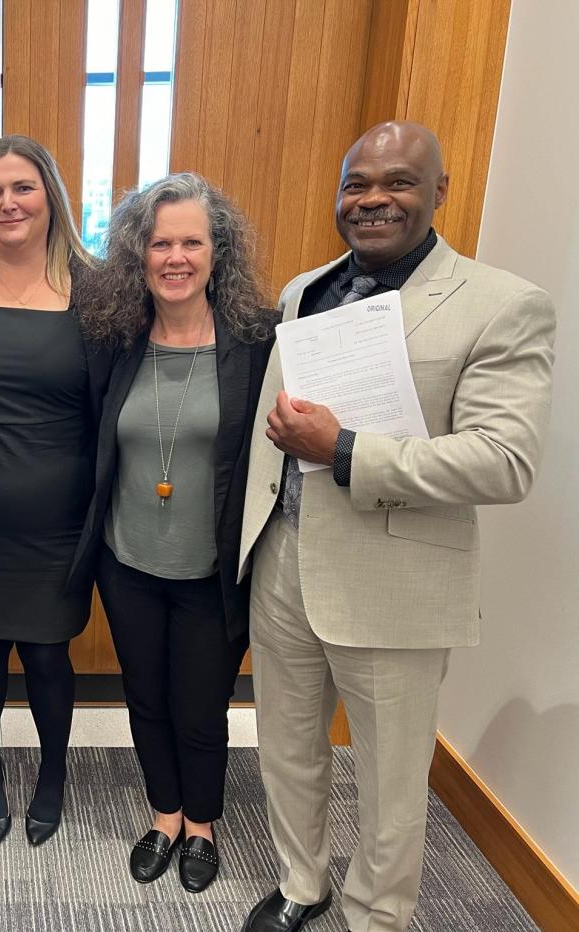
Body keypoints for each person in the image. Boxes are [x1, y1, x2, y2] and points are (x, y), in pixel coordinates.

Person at [237, 121, 556, 932]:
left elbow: (503, 461)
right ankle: (303, 883)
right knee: (287, 745)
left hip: (395, 574)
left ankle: (377, 915)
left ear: (438, 192)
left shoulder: (501, 304)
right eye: (357, 184)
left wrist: (345, 450)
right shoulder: (304, 290)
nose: (373, 199)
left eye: (398, 183)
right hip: (284, 559)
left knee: (387, 774)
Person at [73, 173, 274, 890]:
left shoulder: (257, 344)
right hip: (127, 564)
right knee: (146, 697)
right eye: (161, 243)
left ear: (218, 253)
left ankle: (202, 825)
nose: (176, 257)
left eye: (192, 241)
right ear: (139, 255)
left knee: (201, 707)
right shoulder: (115, 340)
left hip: (210, 572)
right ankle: (163, 814)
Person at [0, 134, 112, 848]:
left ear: (51, 198)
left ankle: (53, 775)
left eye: (23, 188)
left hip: (59, 523)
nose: (8, 203)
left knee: (46, 655)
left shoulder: (96, 288)